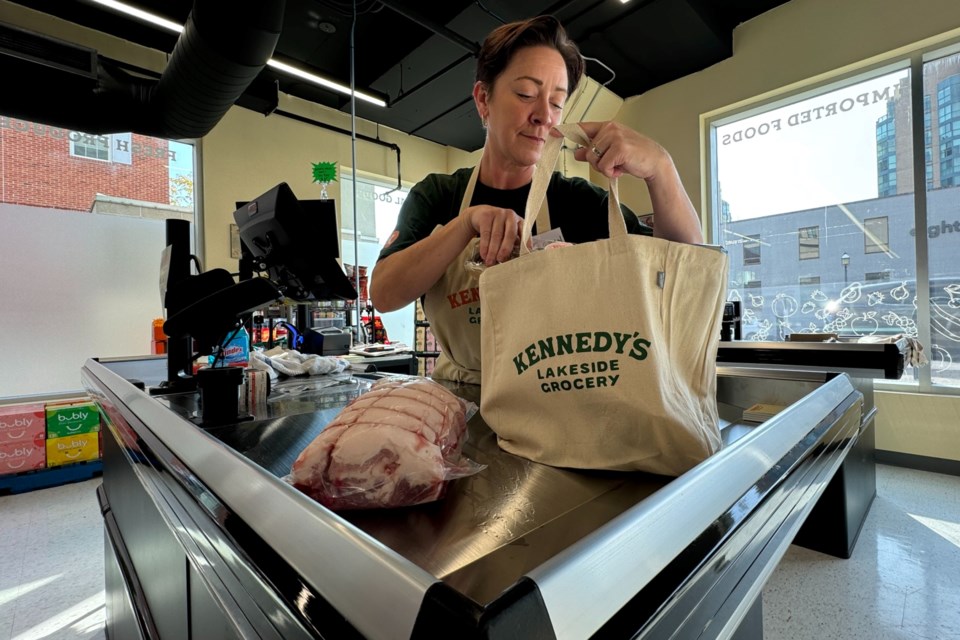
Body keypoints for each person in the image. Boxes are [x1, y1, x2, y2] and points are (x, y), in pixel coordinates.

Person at [370, 14, 703, 383]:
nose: (544, 115)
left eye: (557, 103)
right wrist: (464, 226)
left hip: (555, 404)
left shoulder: (578, 201)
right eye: (526, 94)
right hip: (460, 404)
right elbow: (384, 294)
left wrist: (662, 168)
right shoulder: (437, 196)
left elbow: (686, 271)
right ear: (484, 99)